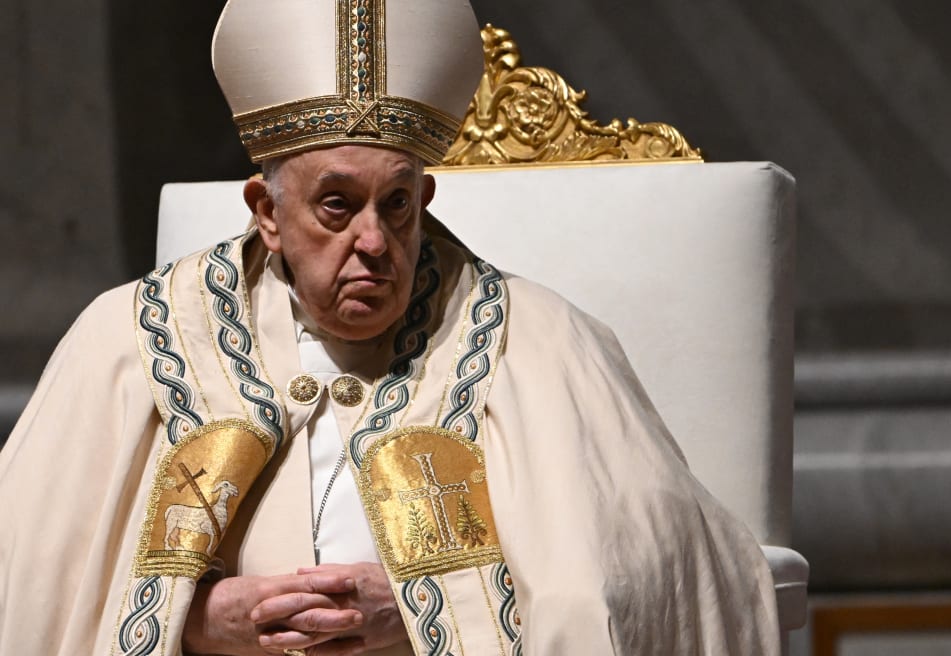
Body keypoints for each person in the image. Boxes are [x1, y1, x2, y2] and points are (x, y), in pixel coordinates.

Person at [0, 0, 781, 654]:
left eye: (397, 205)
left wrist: (419, 610)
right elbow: (34, 580)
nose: (372, 241)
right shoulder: (137, 341)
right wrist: (199, 619)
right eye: (336, 205)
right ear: (267, 213)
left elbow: (668, 573)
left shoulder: (535, 341)